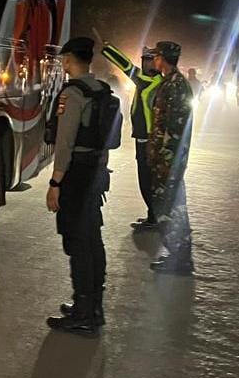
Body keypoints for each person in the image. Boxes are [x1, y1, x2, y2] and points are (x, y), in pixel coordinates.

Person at [44, 37, 113, 335]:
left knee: (78, 241)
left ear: (70, 59)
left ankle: (84, 313)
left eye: (64, 59)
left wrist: (55, 182)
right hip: (96, 171)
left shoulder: (73, 93)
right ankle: (92, 305)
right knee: (92, 239)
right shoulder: (102, 90)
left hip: (76, 176)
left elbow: (65, 143)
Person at [95, 33, 162, 232]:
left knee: (146, 180)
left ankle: (155, 216)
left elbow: (126, 66)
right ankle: (154, 214)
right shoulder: (156, 81)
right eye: (144, 60)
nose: (145, 64)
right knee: (149, 179)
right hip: (148, 138)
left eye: (149, 60)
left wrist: (107, 48)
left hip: (147, 140)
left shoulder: (149, 81)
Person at [149, 41, 194, 274]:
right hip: (167, 158)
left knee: (169, 207)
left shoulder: (175, 85)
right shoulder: (172, 82)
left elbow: (174, 127)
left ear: (162, 58)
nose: (153, 60)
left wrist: (164, 158)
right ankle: (179, 256)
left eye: (156, 56)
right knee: (172, 205)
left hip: (169, 159)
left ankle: (179, 259)